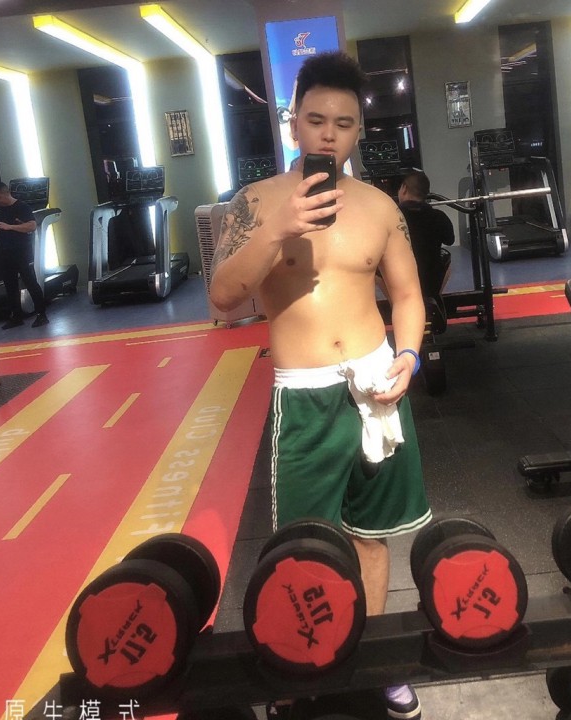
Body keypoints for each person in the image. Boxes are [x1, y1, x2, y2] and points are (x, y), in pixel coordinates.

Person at [209, 51, 431, 720]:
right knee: (302, 546)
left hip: (375, 383)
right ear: (293, 124)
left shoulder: (379, 206)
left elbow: (408, 295)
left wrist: (409, 356)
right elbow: (223, 297)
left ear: (359, 130)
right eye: (315, 120)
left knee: (371, 537)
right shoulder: (253, 203)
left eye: (344, 123)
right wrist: (278, 230)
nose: (329, 135)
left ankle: (372, 659)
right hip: (303, 393)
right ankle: (303, 663)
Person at [0, 181, 49, 329]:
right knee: (10, 285)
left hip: (21, 251)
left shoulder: (22, 207)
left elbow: (31, 226)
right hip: (3, 251)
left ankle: (41, 314)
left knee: (30, 281)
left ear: (6, 193)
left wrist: (9, 227)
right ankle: (16, 316)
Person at [397, 169, 455, 301]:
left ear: (404, 189)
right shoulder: (439, 216)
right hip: (430, 279)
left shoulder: (392, 216)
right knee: (446, 258)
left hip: (401, 278)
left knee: (377, 270)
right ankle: (432, 299)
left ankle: (396, 302)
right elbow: (450, 240)